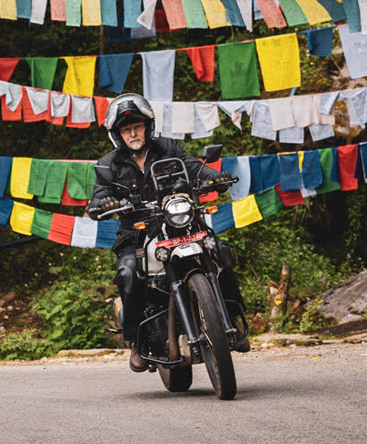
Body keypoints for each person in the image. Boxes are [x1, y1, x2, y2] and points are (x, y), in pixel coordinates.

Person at [87, 93, 249, 372]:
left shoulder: (168, 148)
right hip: (137, 233)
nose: (133, 133)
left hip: (180, 222)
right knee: (129, 273)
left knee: (219, 251)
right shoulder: (108, 165)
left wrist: (213, 177)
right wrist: (104, 203)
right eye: (126, 129)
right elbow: (98, 197)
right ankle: (137, 342)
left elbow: (194, 168)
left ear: (147, 126)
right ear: (118, 134)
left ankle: (231, 318)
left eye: (137, 126)